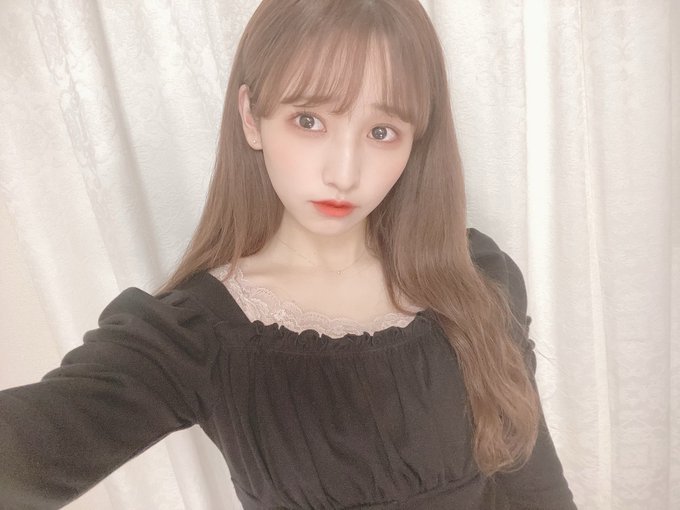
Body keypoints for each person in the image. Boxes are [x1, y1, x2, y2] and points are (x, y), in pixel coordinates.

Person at [0, 0, 578, 508]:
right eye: (309, 121)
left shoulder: (475, 273)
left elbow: (535, 488)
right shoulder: (195, 334)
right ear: (251, 118)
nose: (344, 173)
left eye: (381, 132)